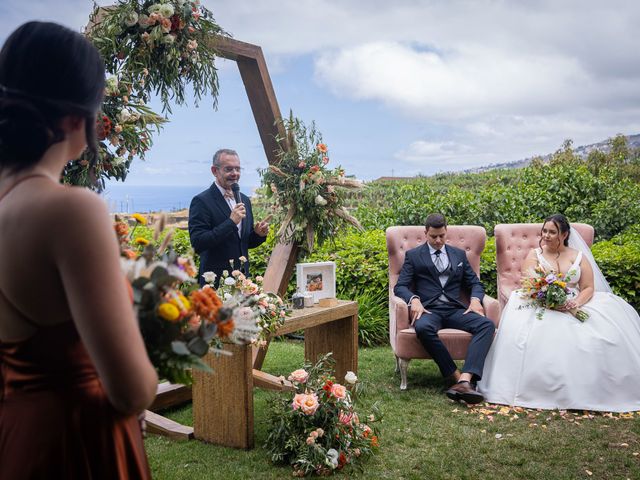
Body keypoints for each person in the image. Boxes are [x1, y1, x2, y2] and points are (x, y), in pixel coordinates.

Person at [0, 22, 158, 478]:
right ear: (78, 118)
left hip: (15, 435)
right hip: (74, 444)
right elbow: (131, 391)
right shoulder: (70, 211)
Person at [479, 214, 640, 412]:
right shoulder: (535, 255)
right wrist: (551, 301)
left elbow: (588, 287)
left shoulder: (578, 256)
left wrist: (575, 303)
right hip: (541, 302)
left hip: (576, 301)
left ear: (564, 235)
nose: (546, 235)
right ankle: (540, 390)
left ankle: (595, 389)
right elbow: (528, 284)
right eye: (544, 231)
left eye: (552, 232)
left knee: (603, 334)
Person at [394, 213, 495, 404]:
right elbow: (400, 286)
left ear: (446, 231)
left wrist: (475, 300)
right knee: (423, 328)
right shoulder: (414, 256)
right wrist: (414, 299)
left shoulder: (458, 255)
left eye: (442, 235)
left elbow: (475, 283)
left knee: (487, 325)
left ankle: (466, 379)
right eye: (434, 237)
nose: (439, 240)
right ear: (426, 233)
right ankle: (456, 377)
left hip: (455, 310)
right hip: (429, 311)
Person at [188, 149, 269, 286]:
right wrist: (231, 222)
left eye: (238, 169)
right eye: (229, 169)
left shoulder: (244, 199)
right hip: (215, 283)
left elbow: (243, 243)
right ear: (214, 171)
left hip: (242, 282)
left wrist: (257, 234)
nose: (235, 174)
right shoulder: (202, 201)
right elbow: (198, 243)